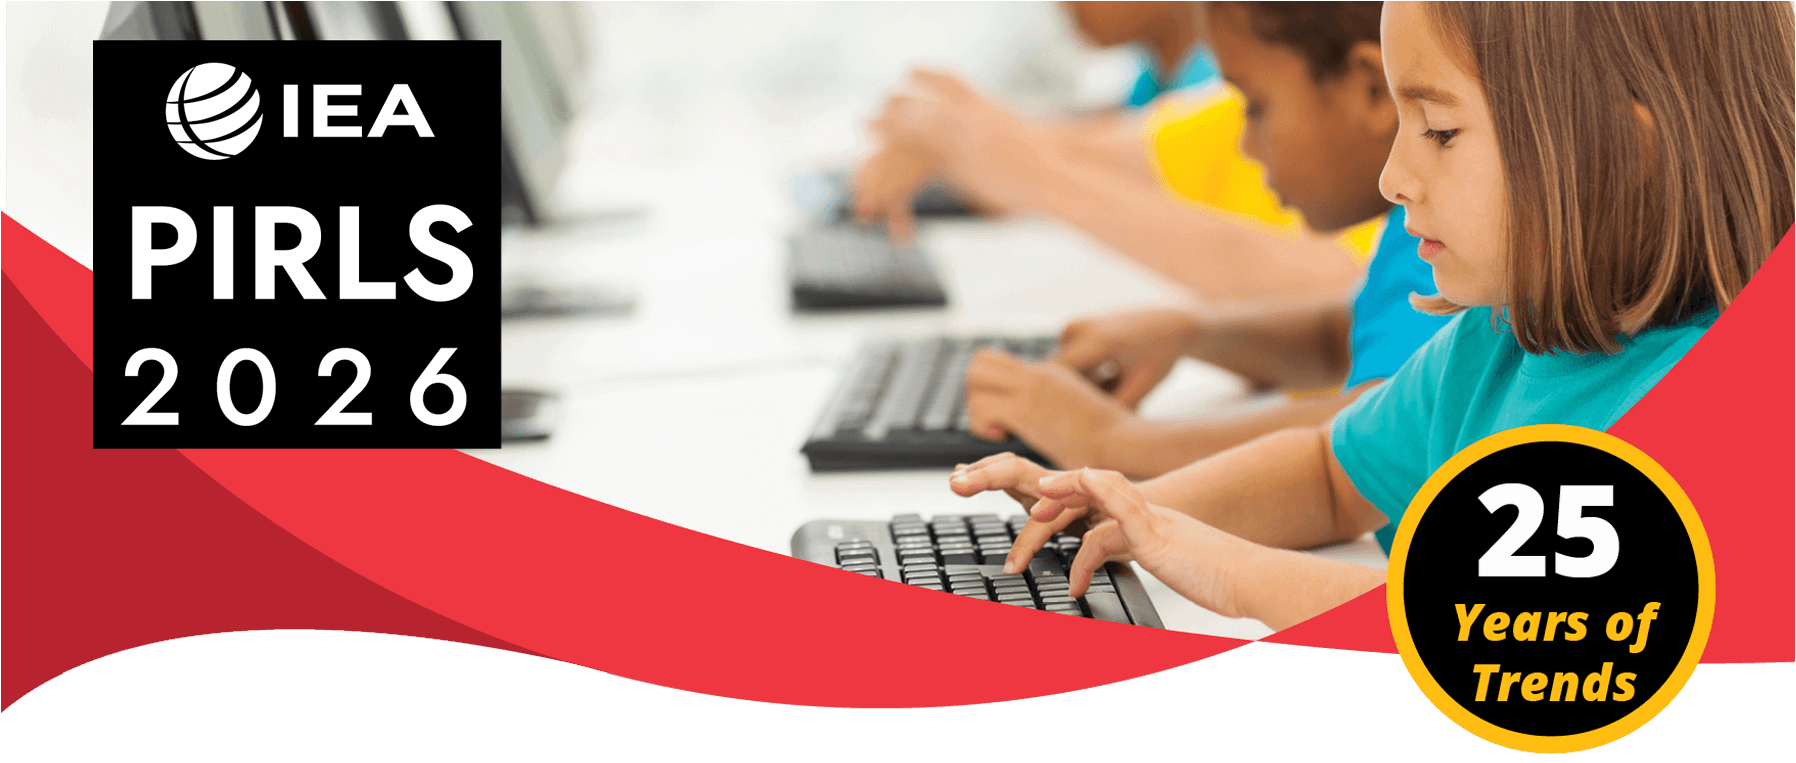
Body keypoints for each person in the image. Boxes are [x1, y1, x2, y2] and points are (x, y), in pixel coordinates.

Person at [948, 0, 1794, 630]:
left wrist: (1217, 565)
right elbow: (1326, 473)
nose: (1393, 179)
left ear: (1625, 152)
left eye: (1440, 132)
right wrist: (1128, 513)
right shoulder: (1496, 339)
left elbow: (1467, 624)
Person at [964, 2, 1448, 481]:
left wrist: (1114, 442)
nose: (1244, 145)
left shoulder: (1441, 234)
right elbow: (1339, 340)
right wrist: (1191, 333)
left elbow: (1385, 424)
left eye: (1255, 106)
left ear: (1369, 87)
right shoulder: (1408, 226)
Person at [854, 5, 1370, 301]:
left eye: (1256, 107)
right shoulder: (1225, 102)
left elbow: (1340, 289)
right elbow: (1113, 146)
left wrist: (1021, 167)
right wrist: (964, 136)